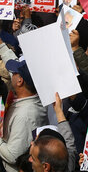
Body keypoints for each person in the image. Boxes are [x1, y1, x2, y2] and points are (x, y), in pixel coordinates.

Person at [0, 44, 47, 172]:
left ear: (20, 81)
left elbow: (12, 156)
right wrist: (1, 45)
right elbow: (11, 63)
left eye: (14, 72)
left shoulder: (25, 116)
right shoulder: (25, 92)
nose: (11, 74)